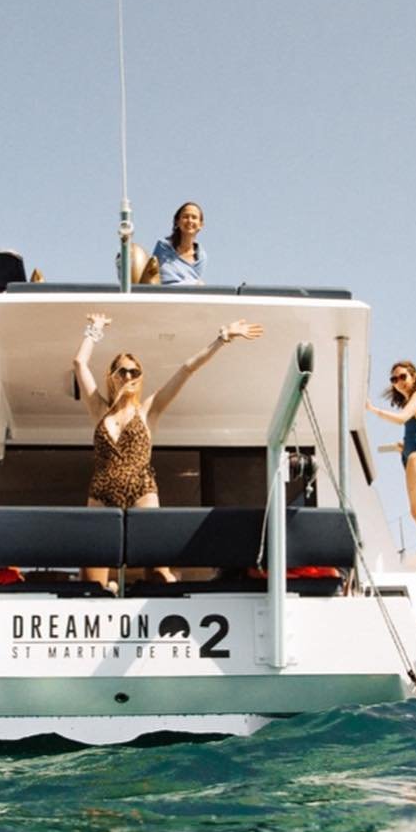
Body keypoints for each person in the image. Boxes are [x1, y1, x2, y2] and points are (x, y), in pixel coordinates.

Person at [74, 310, 263, 590]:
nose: (128, 375)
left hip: (141, 490)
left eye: (134, 371)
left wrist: (222, 338)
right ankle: (109, 592)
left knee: (157, 576)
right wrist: (95, 329)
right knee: (90, 584)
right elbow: (79, 363)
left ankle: (164, 586)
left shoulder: (148, 409)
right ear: (112, 376)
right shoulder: (99, 409)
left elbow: (186, 369)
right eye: (122, 371)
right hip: (101, 491)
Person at [366, 360, 416, 571]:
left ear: (414, 376)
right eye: (394, 379)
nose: (399, 382)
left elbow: (401, 418)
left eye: (403, 376)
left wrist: (373, 410)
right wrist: (402, 447)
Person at [140, 201, 207, 285]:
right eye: (185, 217)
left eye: (194, 217)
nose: (190, 220)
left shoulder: (200, 257)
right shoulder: (164, 247)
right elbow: (164, 279)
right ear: (177, 222)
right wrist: (194, 284)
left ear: (201, 225)